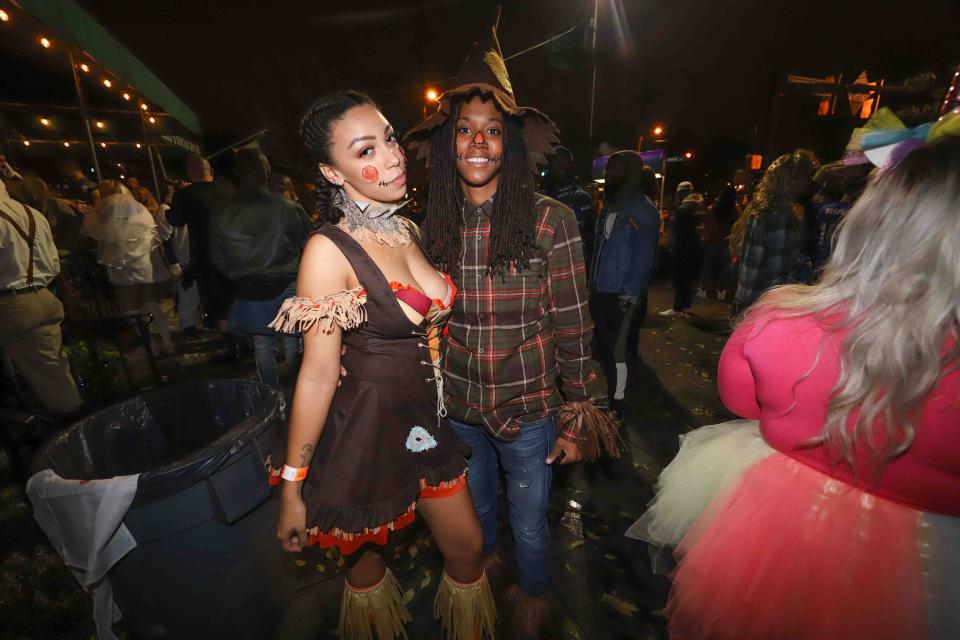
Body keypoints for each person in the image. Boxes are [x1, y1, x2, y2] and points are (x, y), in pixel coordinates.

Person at [630, 140, 960, 640]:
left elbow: (742, 401)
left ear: (869, 224)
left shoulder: (780, 319)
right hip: (930, 561)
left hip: (777, 527)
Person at [405, 24, 619, 638]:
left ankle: (532, 604)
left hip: (529, 414)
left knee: (530, 525)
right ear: (448, 143)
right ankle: (488, 585)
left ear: (511, 143)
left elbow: (576, 326)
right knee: (479, 514)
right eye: (466, 130)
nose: (478, 142)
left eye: (492, 130)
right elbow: (419, 322)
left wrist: (578, 418)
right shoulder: (433, 226)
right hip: (463, 412)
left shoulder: (551, 223)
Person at [271, 90, 495, 640]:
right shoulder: (328, 251)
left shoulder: (405, 229)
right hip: (364, 435)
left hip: (426, 425)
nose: (392, 157)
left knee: (467, 552)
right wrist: (293, 489)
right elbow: (320, 374)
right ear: (332, 171)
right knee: (367, 571)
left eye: (390, 138)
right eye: (366, 150)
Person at [210, 149, 312, 389]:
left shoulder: (221, 212)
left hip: (248, 286)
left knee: (262, 344)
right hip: (288, 281)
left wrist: (239, 275)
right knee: (293, 339)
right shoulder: (288, 208)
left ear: (237, 173)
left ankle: (271, 396)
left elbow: (218, 258)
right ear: (266, 171)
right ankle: (299, 391)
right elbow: (312, 245)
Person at [0, 179, 83, 415]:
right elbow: (53, 263)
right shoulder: (31, 213)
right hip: (42, 297)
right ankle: (74, 429)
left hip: (8, 304)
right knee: (55, 378)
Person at [589, 151, 660, 417]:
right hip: (601, 289)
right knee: (603, 348)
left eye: (617, 168)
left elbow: (645, 257)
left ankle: (617, 403)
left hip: (623, 294)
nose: (609, 173)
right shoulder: (610, 205)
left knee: (618, 350)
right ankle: (609, 394)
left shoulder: (644, 209)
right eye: (608, 168)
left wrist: (631, 294)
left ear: (631, 171)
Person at [81, 180, 173, 353]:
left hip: (121, 264)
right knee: (150, 302)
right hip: (143, 261)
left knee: (130, 307)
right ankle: (167, 342)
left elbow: (93, 232)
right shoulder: (138, 208)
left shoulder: (104, 210)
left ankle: (149, 344)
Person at [731, 150, 820, 312]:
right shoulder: (781, 218)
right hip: (762, 307)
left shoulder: (760, 210)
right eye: (807, 177)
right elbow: (777, 279)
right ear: (792, 180)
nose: (809, 184)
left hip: (746, 300)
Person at [166, 154, 232, 331]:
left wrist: (170, 201)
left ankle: (231, 344)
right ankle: (242, 341)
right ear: (210, 171)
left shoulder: (185, 195)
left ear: (189, 173)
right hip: (231, 252)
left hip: (204, 255)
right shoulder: (227, 191)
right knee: (230, 298)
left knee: (216, 303)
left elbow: (176, 220)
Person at [541, 146, 596, 269]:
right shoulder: (541, 196)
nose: (562, 166)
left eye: (566, 162)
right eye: (557, 162)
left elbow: (588, 239)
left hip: (571, 267)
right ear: (549, 165)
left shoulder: (580, 198)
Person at [661, 185, 704, 317]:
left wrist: (673, 247)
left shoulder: (683, 209)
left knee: (680, 279)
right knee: (687, 279)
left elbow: (680, 233)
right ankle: (686, 306)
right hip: (696, 247)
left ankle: (678, 308)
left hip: (683, 249)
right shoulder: (698, 207)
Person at [813, 173, 866, 275]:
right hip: (840, 263)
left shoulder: (824, 209)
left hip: (820, 259)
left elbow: (816, 233)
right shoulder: (856, 212)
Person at [699, 184, 738, 300]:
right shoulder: (733, 210)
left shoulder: (713, 208)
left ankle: (704, 289)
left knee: (708, 266)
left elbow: (707, 223)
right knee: (724, 267)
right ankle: (721, 291)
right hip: (726, 241)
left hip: (711, 240)